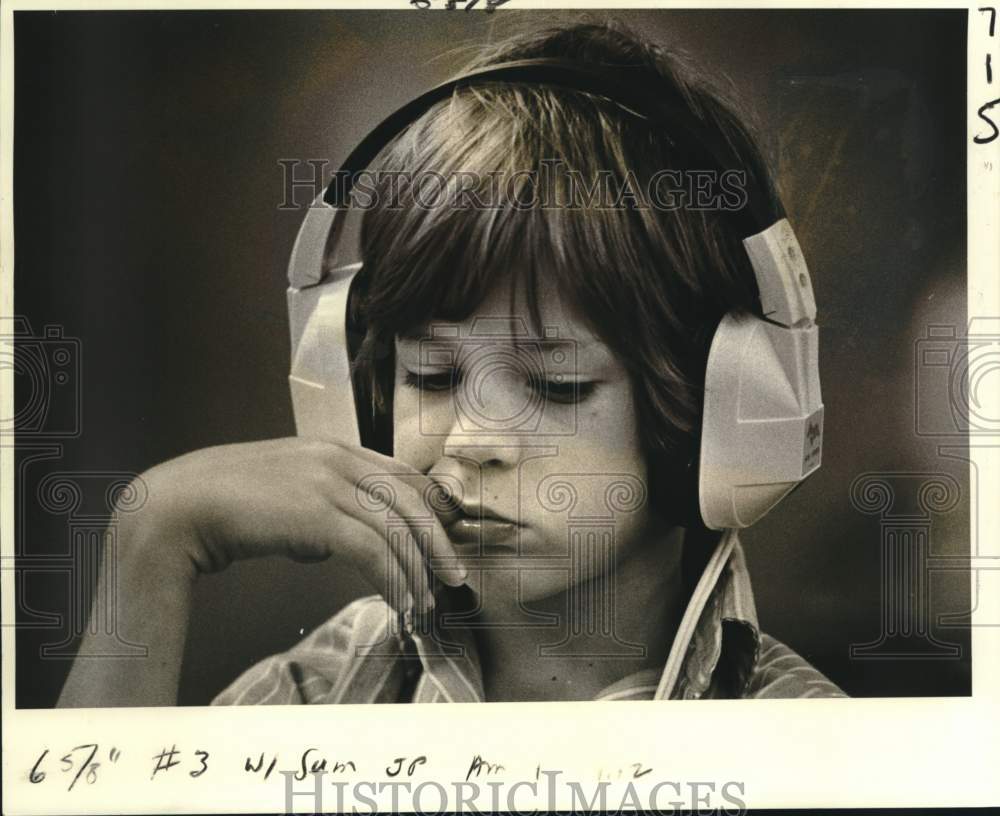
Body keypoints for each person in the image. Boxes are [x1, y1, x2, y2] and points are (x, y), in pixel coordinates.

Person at [57, 20, 845, 707]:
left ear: (710, 413)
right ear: (358, 395)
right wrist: (150, 542)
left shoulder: (813, 745)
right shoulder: (316, 695)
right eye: (430, 377)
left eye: (555, 386)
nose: (473, 439)